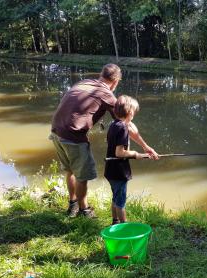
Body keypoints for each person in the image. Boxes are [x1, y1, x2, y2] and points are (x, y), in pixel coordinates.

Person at [50, 64, 158, 218]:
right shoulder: (105, 93)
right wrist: (146, 148)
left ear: (102, 75)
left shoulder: (84, 82)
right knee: (83, 176)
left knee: (70, 170)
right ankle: (83, 210)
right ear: (116, 81)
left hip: (55, 130)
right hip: (73, 136)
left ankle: (72, 204)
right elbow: (126, 125)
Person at [104, 95, 151, 225]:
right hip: (119, 172)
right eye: (134, 112)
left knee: (115, 198)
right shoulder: (123, 128)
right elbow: (119, 153)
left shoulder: (114, 124)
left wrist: (145, 148)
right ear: (130, 112)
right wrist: (137, 154)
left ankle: (115, 222)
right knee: (120, 202)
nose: (134, 115)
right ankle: (124, 226)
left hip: (110, 170)